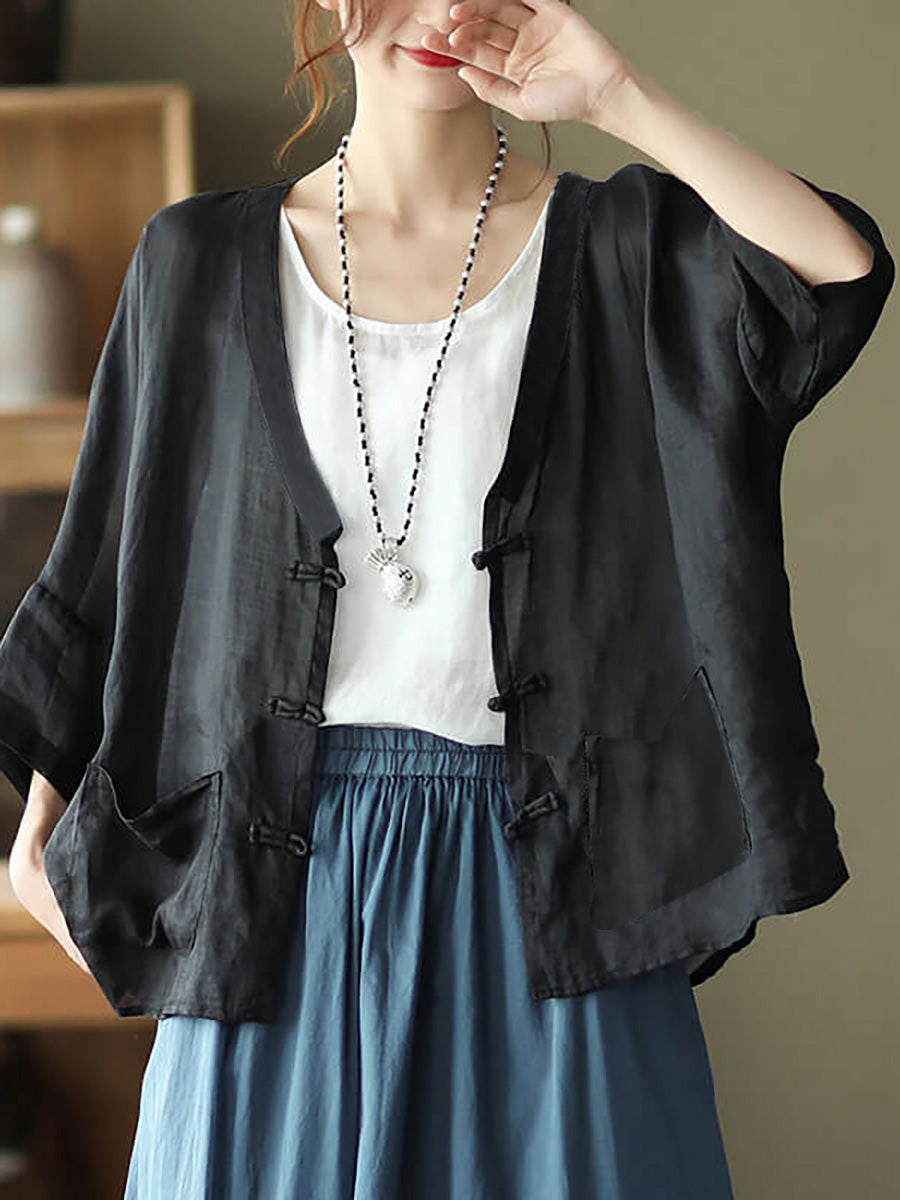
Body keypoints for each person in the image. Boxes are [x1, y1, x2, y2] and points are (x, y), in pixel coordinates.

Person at [7, 0, 888, 1196]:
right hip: (270, 898)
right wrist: (40, 838)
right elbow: (118, 566)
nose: (441, 11)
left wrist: (615, 98)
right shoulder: (195, 261)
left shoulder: (623, 249)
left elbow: (833, 274)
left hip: (559, 899)